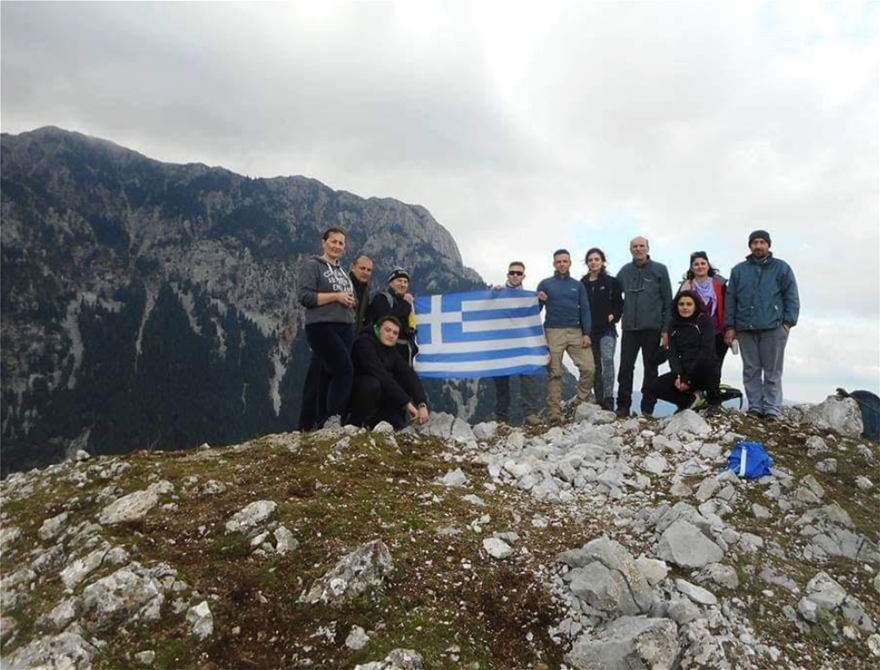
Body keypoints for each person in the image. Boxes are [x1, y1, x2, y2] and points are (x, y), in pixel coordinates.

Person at [724, 230, 799, 422]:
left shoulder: (782, 268)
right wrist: (730, 326)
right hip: (745, 328)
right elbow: (730, 299)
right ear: (750, 246)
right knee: (751, 370)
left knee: (772, 371)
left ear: (768, 245)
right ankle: (755, 408)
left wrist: (788, 323)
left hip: (774, 327)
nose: (758, 246)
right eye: (755, 242)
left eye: (762, 242)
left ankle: (772, 410)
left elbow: (791, 296)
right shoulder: (739, 270)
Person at [298, 254, 373, 431]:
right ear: (353, 267)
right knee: (322, 379)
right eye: (362, 268)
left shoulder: (365, 290)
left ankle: (317, 423)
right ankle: (313, 423)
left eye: (369, 270)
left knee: (324, 378)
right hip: (328, 331)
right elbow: (306, 297)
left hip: (346, 335)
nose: (365, 272)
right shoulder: (343, 280)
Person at [296, 227, 356, 428]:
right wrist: (337, 297)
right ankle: (333, 417)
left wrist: (349, 302)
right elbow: (305, 297)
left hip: (345, 326)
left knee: (326, 374)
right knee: (344, 370)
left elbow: (346, 297)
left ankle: (320, 421)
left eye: (341, 243)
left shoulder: (342, 272)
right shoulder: (313, 266)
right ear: (324, 242)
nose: (338, 246)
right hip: (321, 325)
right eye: (334, 241)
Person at [616, 236, 673, 418]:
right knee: (625, 368)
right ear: (630, 249)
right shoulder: (624, 271)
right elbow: (615, 297)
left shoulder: (660, 270)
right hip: (630, 329)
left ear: (648, 248)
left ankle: (648, 408)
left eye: (642, 246)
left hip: (653, 328)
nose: (638, 249)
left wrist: (666, 330)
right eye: (635, 246)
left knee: (650, 368)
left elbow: (668, 302)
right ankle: (623, 407)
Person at [536, 249, 594, 423]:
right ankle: (554, 412)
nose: (562, 264)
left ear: (570, 263)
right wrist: (539, 300)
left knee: (589, 368)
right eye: (558, 261)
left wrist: (586, 333)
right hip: (553, 331)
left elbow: (585, 310)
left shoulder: (578, 285)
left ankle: (578, 403)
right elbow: (535, 310)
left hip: (576, 331)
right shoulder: (545, 284)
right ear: (554, 264)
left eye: (565, 261)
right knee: (555, 372)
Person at [348, 315, 430, 429]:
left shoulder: (391, 350)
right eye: (387, 330)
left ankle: (391, 425)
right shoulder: (363, 343)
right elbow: (380, 374)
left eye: (395, 333)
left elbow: (408, 375)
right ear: (377, 329)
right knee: (374, 384)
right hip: (355, 391)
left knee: (400, 382)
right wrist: (407, 403)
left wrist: (421, 404)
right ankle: (354, 424)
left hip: (376, 392)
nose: (391, 335)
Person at [649, 291, 722, 416]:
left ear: (695, 305)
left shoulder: (704, 320)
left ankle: (714, 404)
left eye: (689, 304)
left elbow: (706, 351)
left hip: (703, 369)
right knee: (654, 386)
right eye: (681, 304)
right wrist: (678, 374)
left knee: (709, 363)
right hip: (684, 369)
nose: (685, 307)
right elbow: (672, 353)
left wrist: (687, 378)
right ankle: (688, 403)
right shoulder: (673, 323)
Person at [491, 261, 542, 426]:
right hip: (501, 343)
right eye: (512, 272)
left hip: (522, 343)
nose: (515, 275)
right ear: (507, 275)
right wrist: (492, 293)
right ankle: (501, 417)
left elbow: (533, 315)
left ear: (523, 276)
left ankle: (530, 414)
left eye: (518, 273)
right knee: (501, 382)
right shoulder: (497, 292)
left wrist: (540, 301)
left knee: (528, 377)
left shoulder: (528, 297)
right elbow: (485, 308)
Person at [581, 248, 623, 412]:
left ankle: (608, 399)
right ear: (587, 263)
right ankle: (599, 399)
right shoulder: (582, 284)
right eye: (590, 259)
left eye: (596, 259)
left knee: (607, 361)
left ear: (602, 261)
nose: (593, 262)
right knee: (594, 365)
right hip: (589, 331)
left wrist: (614, 316)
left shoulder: (612, 282)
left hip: (607, 330)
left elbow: (620, 304)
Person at [677, 251, 728, 370]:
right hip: (693, 334)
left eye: (703, 263)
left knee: (715, 367)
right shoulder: (686, 285)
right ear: (691, 268)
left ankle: (713, 389)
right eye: (696, 264)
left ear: (708, 265)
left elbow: (728, 307)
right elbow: (677, 309)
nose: (700, 266)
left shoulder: (720, 284)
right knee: (694, 368)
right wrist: (683, 292)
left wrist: (730, 329)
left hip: (717, 334)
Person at [367, 268, 418, 366]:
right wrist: (405, 303)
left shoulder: (407, 303)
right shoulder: (381, 298)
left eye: (405, 282)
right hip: (386, 350)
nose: (403, 284)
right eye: (399, 281)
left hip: (406, 350)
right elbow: (386, 319)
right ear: (390, 283)